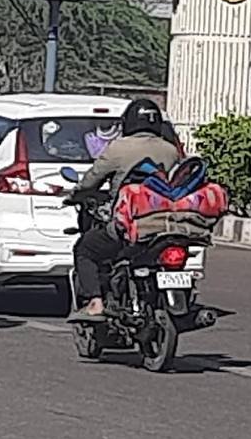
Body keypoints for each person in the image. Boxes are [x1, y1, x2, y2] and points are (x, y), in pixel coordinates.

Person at [66, 98, 181, 323]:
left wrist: (75, 195)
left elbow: (91, 181)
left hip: (130, 225)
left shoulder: (119, 148)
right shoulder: (170, 151)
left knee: (85, 249)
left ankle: (95, 302)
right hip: (167, 226)